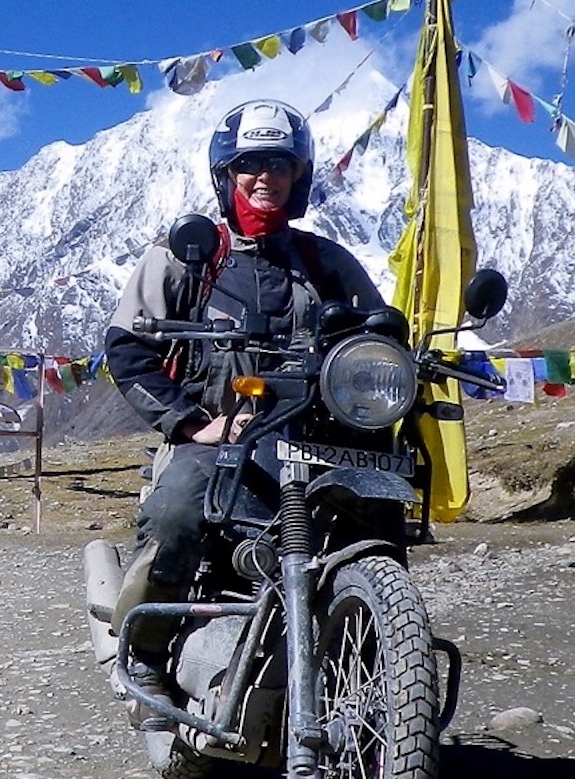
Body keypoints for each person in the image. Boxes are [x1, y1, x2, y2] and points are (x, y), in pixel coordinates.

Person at [103, 99, 387, 727]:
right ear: (225, 174)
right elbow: (127, 347)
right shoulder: (186, 258)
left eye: (279, 164)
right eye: (250, 164)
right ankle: (146, 652)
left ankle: (381, 657)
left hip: (318, 442)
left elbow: (378, 340)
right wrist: (187, 422)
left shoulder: (327, 265)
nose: (265, 177)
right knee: (176, 512)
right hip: (218, 438)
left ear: (299, 175)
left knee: (381, 521)